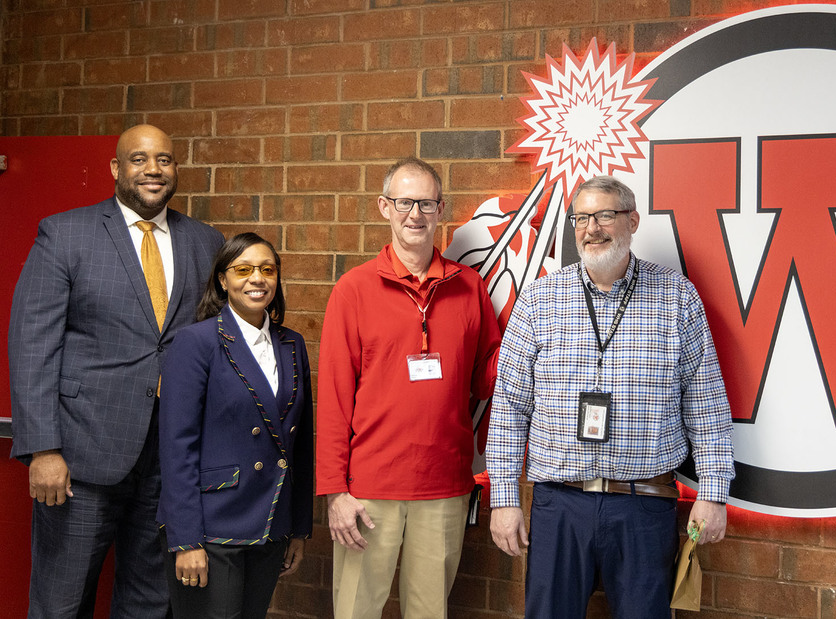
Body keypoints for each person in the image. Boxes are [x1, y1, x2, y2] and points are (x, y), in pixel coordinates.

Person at [486, 175, 735, 618]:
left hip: (644, 505)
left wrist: (713, 492)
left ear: (632, 221)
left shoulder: (676, 296)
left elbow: (706, 401)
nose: (591, 228)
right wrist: (504, 498)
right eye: (581, 218)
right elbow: (508, 406)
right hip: (559, 504)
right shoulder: (540, 300)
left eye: (604, 215)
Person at [8, 124, 224, 618]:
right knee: (61, 603)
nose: (153, 170)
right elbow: (32, 346)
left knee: (150, 602)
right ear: (115, 168)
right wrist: (43, 448)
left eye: (164, 159)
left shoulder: (205, 242)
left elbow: (212, 344)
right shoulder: (65, 233)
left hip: (168, 463)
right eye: (139, 159)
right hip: (80, 459)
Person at [317, 156, 501, 619]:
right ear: (385, 207)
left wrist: (539, 343)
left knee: (429, 612)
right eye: (404, 203)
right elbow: (334, 399)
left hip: (444, 485)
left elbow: (489, 379)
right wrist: (335, 491)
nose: (415, 214)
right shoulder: (353, 289)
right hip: (368, 489)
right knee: (356, 611)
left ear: (441, 210)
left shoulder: (469, 287)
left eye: (426, 203)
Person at [157, 232, 313, 618]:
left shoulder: (292, 344)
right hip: (211, 526)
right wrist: (185, 541)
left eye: (267, 270)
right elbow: (177, 447)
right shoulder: (196, 342)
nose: (257, 278)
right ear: (222, 280)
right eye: (243, 270)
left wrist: (298, 528)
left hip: (271, 521)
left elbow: (301, 446)